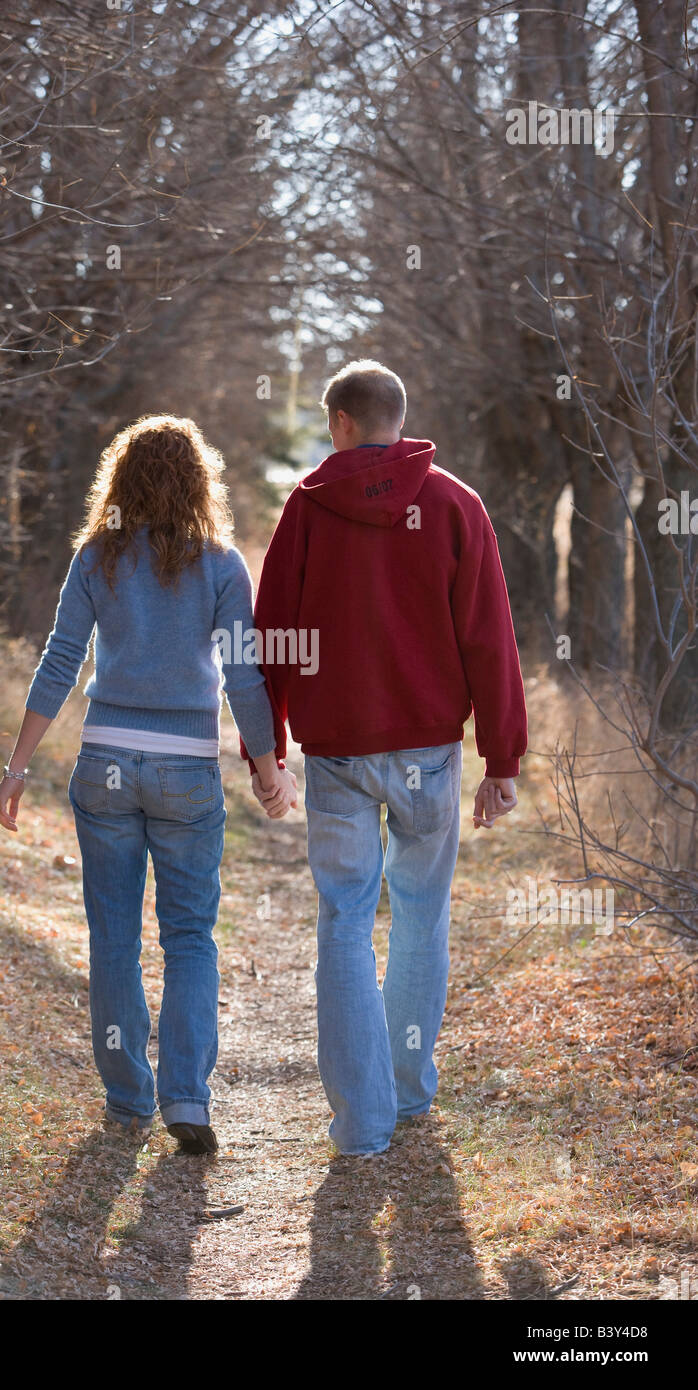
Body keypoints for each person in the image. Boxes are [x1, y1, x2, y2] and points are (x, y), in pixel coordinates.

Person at [243, 360, 527, 1156]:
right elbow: (489, 638)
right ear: (398, 419)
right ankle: (405, 1091)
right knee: (420, 916)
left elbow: (276, 640)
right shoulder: (455, 506)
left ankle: (361, 1124)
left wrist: (265, 750)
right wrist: (502, 756)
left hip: (335, 752)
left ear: (340, 423)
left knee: (343, 920)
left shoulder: (307, 510)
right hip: (427, 754)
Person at [0, 414, 296, 1156]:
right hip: (185, 770)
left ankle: (128, 1098)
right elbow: (244, 678)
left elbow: (60, 661)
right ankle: (185, 1099)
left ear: (119, 482)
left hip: (103, 768)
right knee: (190, 937)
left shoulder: (96, 558)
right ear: (202, 483)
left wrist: (18, 766)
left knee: (114, 938)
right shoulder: (221, 565)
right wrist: (267, 769)